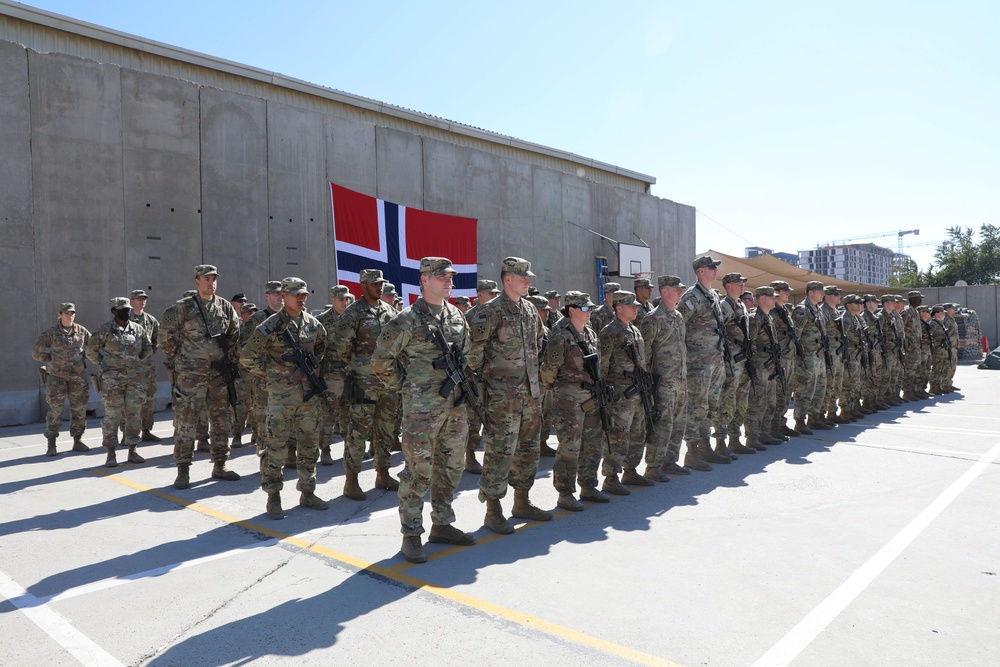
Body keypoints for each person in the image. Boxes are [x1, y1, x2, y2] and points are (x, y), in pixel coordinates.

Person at [372, 257, 478, 562]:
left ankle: (442, 524)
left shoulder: (456, 316)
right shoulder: (406, 320)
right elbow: (379, 361)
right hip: (421, 412)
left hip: (454, 408)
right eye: (442, 277)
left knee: (452, 467)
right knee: (418, 472)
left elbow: (467, 354)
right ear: (424, 280)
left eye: (450, 277)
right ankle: (411, 534)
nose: (449, 281)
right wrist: (405, 386)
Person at [468, 257, 551, 534]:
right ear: (507, 279)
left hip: (530, 395)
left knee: (528, 450)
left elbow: (539, 343)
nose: (528, 281)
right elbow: (473, 356)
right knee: (500, 452)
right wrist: (487, 388)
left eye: (528, 277)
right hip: (502, 398)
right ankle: (493, 510)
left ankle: (522, 501)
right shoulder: (489, 311)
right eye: (523, 277)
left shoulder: (529, 309)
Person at [241, 277, 329, 519]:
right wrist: (272, 375)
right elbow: (247, 357)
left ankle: (307, 492)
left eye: (304, 295)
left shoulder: (312, 324)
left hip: (309, 398)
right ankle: (274, 496)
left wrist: (310, 368)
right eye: (296, 295)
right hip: (281, 398)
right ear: (284, 296)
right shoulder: (270, 326)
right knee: (276, 448)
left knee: (310, 446)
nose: (301, 299)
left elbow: (322, 347)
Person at [158, 265, 242, 489]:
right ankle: (183, 469)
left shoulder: (224, 306)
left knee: (220, 421)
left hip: (218, 375)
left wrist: (227, 360)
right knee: (186, 421)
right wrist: (182, 360)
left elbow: (235, 335)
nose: (211, 283)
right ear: (197, 281)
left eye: (214, 279)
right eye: (206, 279)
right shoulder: (182, 308)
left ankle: (220, 465)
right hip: (191, 376)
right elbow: (165, 338)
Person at [330, 269, 401, 500]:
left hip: (388, 382)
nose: (379, 287)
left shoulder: (389, 310)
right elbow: (339, 349)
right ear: (363, 285)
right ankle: (352, 481)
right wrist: (356, 369)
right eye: (374, 284)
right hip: (363, 384)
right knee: (358, 433)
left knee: (386, 430)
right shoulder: (353, 314)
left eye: (380, 283)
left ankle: (383, 473)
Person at [540, 291, 609, 509]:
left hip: (590, 396)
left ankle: (588, 485)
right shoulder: (560, 336)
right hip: (568, 399)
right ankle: (565, 492)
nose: (590, 312)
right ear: (572, 310)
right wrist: (559, 391)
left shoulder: (590, 332)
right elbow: (549, 370)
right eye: (586, 309)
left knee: (592, 444)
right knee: (570, 446)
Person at [86, 297, 153, 467]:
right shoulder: (105, 330)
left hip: (134, 379)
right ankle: (111, 453)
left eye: (129, 309)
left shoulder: (138, 329)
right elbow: (90, 351)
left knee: (133, 414)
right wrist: (106, 364)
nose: (127, 311)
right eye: (123, 309)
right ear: (114, 311)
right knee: (112, 416)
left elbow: (147, 348)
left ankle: (132, 450)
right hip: (112, 380)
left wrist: (135, 362)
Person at [678, 256, 728, 470]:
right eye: (711, 267)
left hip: (715, 360)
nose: (715, 270)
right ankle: (692, 452)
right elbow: (679, 328)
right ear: (700, 271)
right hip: (698, 362)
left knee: (711, 406)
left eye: (715, 267)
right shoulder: (691, 297)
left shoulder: (713, 296)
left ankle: (705, 445)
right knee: (696, 406)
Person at [639, 276, 689, 479]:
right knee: (662, 424)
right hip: (663, 380)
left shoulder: (678, 316)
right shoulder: (653, 318)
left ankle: (670, 461)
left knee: (679, 422)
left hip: (680, 378)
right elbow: (645, 353)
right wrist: (649, 382)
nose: (680, 293)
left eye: (681, 289)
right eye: (677, 289)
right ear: (665, 291)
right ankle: (653, 466)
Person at [32, 303, 92, 456]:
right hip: (57, 377)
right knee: (55, 410)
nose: (70, 316)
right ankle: (52, 443)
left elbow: (93, 346)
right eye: (67, 313)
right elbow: (36, 352)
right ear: (60, 314)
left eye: (72, 313)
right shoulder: (51, 333)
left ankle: (77, 441)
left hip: (77, 376)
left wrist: (84, 357)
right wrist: (50, 359)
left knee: (79, 409)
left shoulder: (81, 331)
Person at [462, 279, 501, 474]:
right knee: (474, 417)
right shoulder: (470, 316)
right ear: (479, 294)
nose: (494, 296)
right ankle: (469, 456)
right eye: (490, 293)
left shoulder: (496, 313)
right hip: (474, 376)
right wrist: (473, 371)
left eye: (495, 293)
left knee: (492, 415)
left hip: (493, 375)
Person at [241, 282, 284, 452]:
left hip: (289, 379)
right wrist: (264, 371)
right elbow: (245, 351)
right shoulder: (256, 320)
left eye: (282, 293)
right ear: (267, 296)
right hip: (264, 380)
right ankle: (266, 459)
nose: (280, 297)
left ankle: (286, 456)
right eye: (275, 294)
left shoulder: (291, 317)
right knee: (264, 419)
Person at [715, 272, 754, 458]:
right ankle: (721, 443)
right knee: (727, 402)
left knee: (741, 402)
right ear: (728, 285)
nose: (742, 286)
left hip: (743, 360)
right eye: (739, 283)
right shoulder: (724, 306)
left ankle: (735, 439)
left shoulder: (740, 305)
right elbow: (718, 333)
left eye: (742, 282)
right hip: (732, 362)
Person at [316, 285, 352, 466]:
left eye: (347, 299)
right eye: (341, 299)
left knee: (349, 413)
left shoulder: (353, 318)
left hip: (351, 373)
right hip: (331, 375)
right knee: (329, 413)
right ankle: (325, 449)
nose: (345, 302)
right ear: (332, 300)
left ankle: (349, 448)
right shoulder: (321, 321)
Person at [744, 286, 781, 449]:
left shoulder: (769, 317)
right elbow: (750, 344)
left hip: (771, 364)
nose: (775, 299)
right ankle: (752, 437)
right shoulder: (754, 319)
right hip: (760, 366)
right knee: (757, 402)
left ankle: (764, 433)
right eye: (771, 297)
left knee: (770, 401)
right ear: (761, 299)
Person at [791, 281, 830, 434]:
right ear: (811, 292)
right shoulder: (802, 309)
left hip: (818, 355)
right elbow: (796, 336)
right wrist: (799, 359)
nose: (823, 294)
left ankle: (814, 418)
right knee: (805, 389)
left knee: (819, 388)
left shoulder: (817, 309)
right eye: (820, 291)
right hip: (806, 357)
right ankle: (800, 421)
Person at [768, 281, 800, 440]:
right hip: (778, 359)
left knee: (786, 392)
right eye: (785, 291)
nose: (788, 294)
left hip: (788, 357)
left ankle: (781, 423)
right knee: (777, 393)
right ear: (776, 292)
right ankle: (773, 426)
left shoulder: (784, 311)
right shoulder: (771, 311)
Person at [128, 289, 162, 442]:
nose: (142, 301)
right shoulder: (125, 318)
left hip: (146, 367)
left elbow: (157, 339)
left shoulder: (151, 320)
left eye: (144, 298)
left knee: (148, 399)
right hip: (128, 367)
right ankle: (127, 432)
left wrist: (148, 354)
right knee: (128, 400)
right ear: (131, 301)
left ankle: (147, 430)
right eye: (139, 298)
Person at [820, 286, 848, 423]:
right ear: (827, 296)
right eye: (835, 294)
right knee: (828, 385)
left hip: (838, 353)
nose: (838, 297)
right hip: (829, 354)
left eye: (839, 294)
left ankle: (832, 412)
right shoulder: (823, 311)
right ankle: (824, 413)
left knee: (837, 384)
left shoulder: (835, 311)